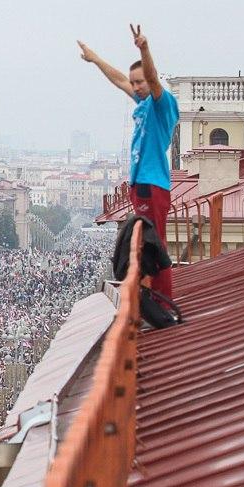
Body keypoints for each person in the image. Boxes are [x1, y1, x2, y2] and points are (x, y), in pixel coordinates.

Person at [78, 24, 178, 296]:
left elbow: (154, 78)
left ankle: (162, 300)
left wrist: (144, 48)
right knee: (144, 241)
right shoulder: (143, 104)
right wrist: (95, 59)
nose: (134, 87)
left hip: (151, 184)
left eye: (140, 82)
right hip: (141, 184)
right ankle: (149, 294)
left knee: (153, 242)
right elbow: (120, 80)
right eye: (134, 83)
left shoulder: (162, 104)